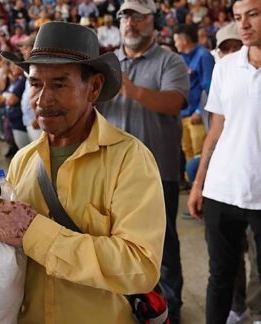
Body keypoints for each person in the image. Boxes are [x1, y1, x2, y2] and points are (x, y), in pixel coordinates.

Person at [0, 21, 166, 323]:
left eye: (59, 84)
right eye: (35, 84)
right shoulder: (23, 161)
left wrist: (34, 232)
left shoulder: (130, 160)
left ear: (93, 87)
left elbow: (141, 267)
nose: (42, 100)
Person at [97, 0, 190, 322]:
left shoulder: (170, 61)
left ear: (153, 21)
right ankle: (127, 306)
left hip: (157, 171)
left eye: (138, 17)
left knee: (162, 244)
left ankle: (169, 310)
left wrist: (132, 90)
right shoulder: (107, 63)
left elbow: (174, 102)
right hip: (109, 171)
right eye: (125, 16)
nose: (130, 23)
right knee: (113, 240)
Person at [187, 0, 261, 323]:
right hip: (221, 189)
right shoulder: (226, 67)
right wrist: (199, 184)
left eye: (253, 15)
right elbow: (215, 129)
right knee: (220, 278)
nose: (243, 24)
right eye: (237, 17)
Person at [173, 24, 214, 162]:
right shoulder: (180, 58)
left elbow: (209, 87)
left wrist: (199, 110)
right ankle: (191, 183)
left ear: (184, 40)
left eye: (176, 40)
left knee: (200, 153)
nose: (175, 44)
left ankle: (202, 183)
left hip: (198, 115)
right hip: (183, 114)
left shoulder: (204, 56)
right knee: (187, 151)